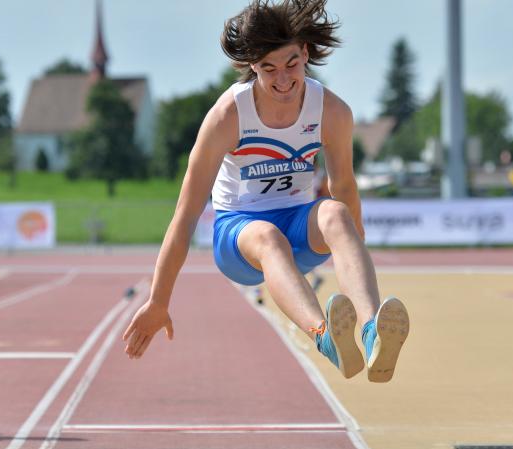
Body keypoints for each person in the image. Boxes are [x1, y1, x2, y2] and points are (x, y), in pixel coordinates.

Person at [122, 0, 409, 382]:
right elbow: (186, 214)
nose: (283, 80)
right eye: (268, 69)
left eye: (291, 64)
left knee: (336, 212)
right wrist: (159, 301)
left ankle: (373, 333)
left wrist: (353, 245)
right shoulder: (228, 116)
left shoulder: (332, 111)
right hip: (238, 236)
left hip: (298, 228)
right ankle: (325, 337)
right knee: (267, 236)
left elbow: (344, 186)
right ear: (252, 66)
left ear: (305, 52)